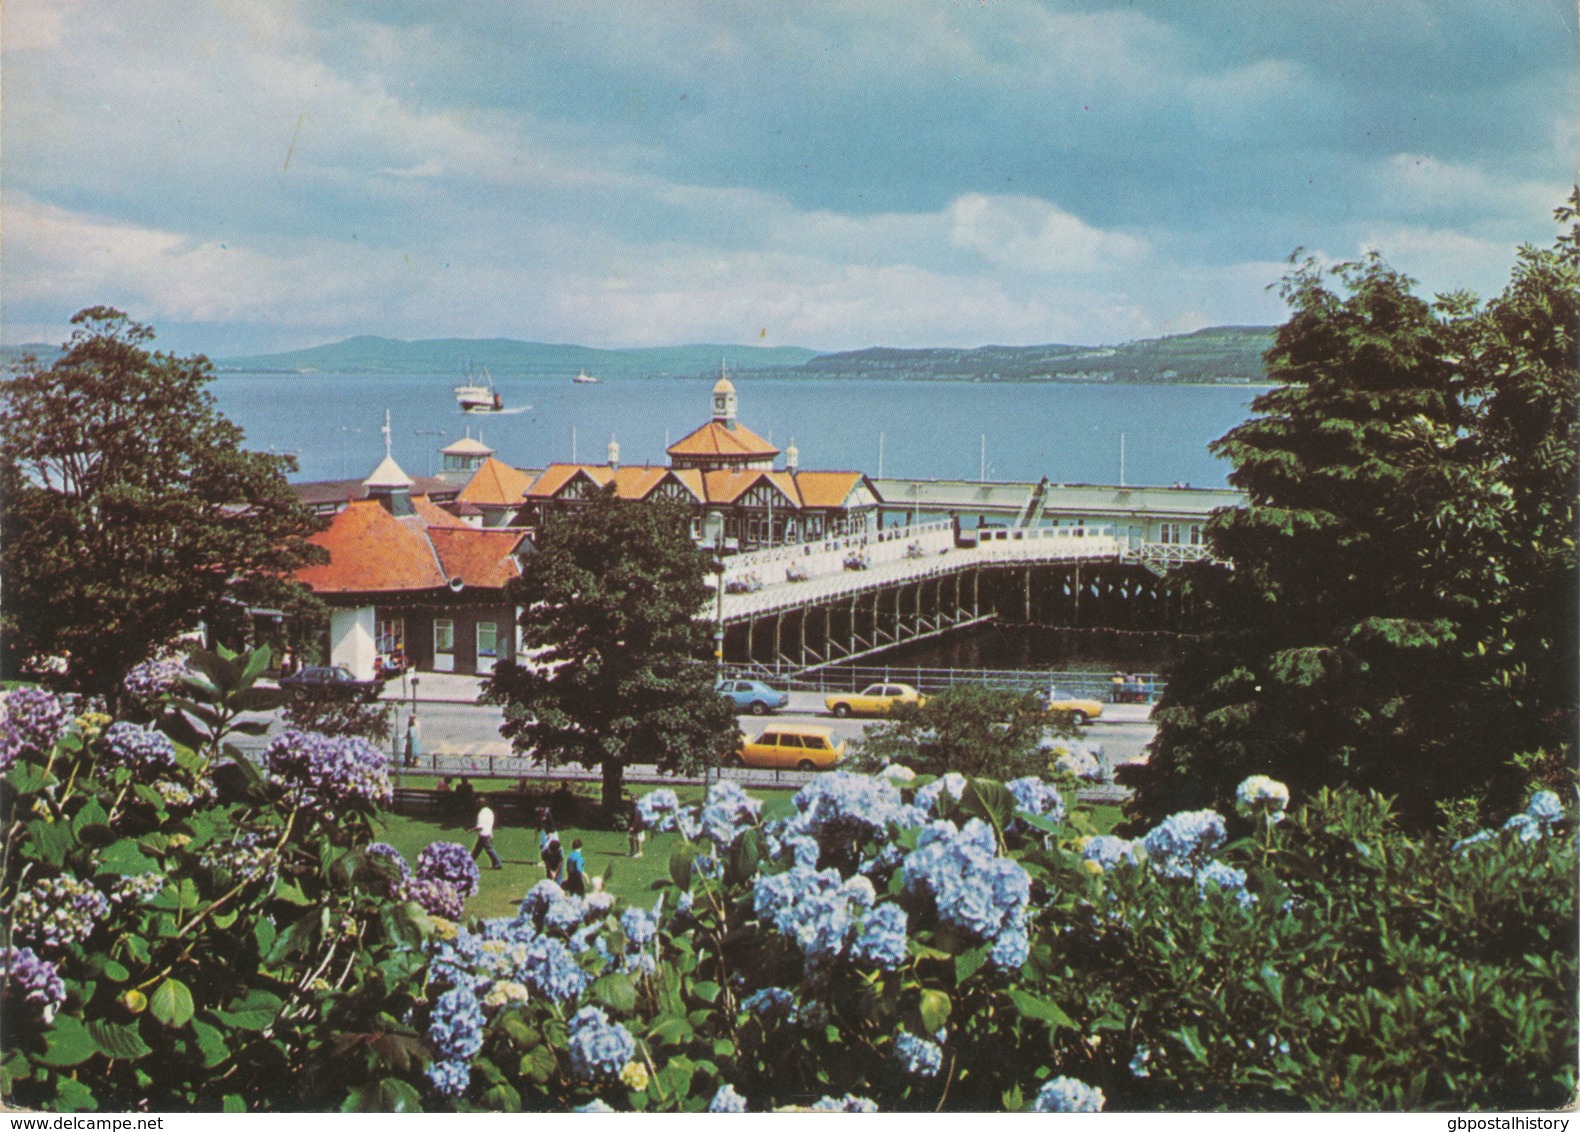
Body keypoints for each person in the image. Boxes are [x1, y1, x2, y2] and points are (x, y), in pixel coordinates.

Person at [471, 797, 503, 871]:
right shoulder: (489, 811)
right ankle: (470, 861)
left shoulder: (481, 813)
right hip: (488, 832)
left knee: (489, 849)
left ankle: (498, 863)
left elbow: (480, 826)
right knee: (477, 849)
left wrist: (471, 830)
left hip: (483, 834)